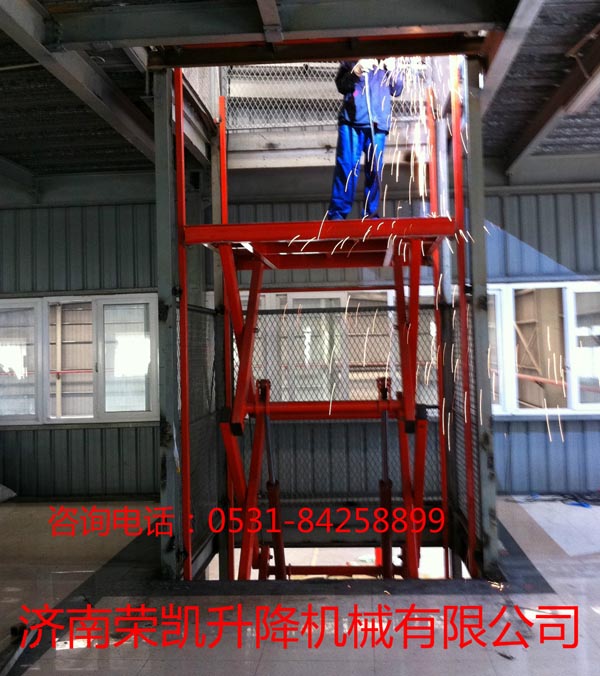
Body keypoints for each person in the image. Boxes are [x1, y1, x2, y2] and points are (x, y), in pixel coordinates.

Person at [328, 58, 403, 220]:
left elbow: (397, 90)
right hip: (351, 122)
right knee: (347, 168)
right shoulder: (352, 58)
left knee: (375, 170)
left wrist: (392, 71)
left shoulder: (389, 60)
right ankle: (337, 215)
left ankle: (371, 215)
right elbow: (342, 85)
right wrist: (356, 71)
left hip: (378, 124)